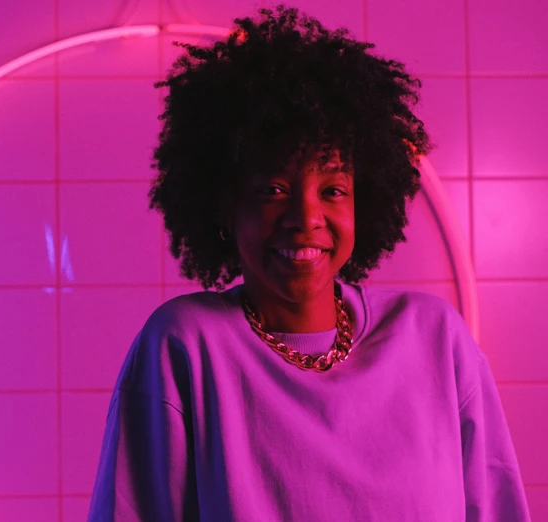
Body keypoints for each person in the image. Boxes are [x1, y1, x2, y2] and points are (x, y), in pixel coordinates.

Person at [87, 5, 531, 521]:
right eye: (273, 189)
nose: (305, 216)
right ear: (226, 206)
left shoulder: (436, 338)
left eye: (333, 189)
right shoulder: (184, 344)